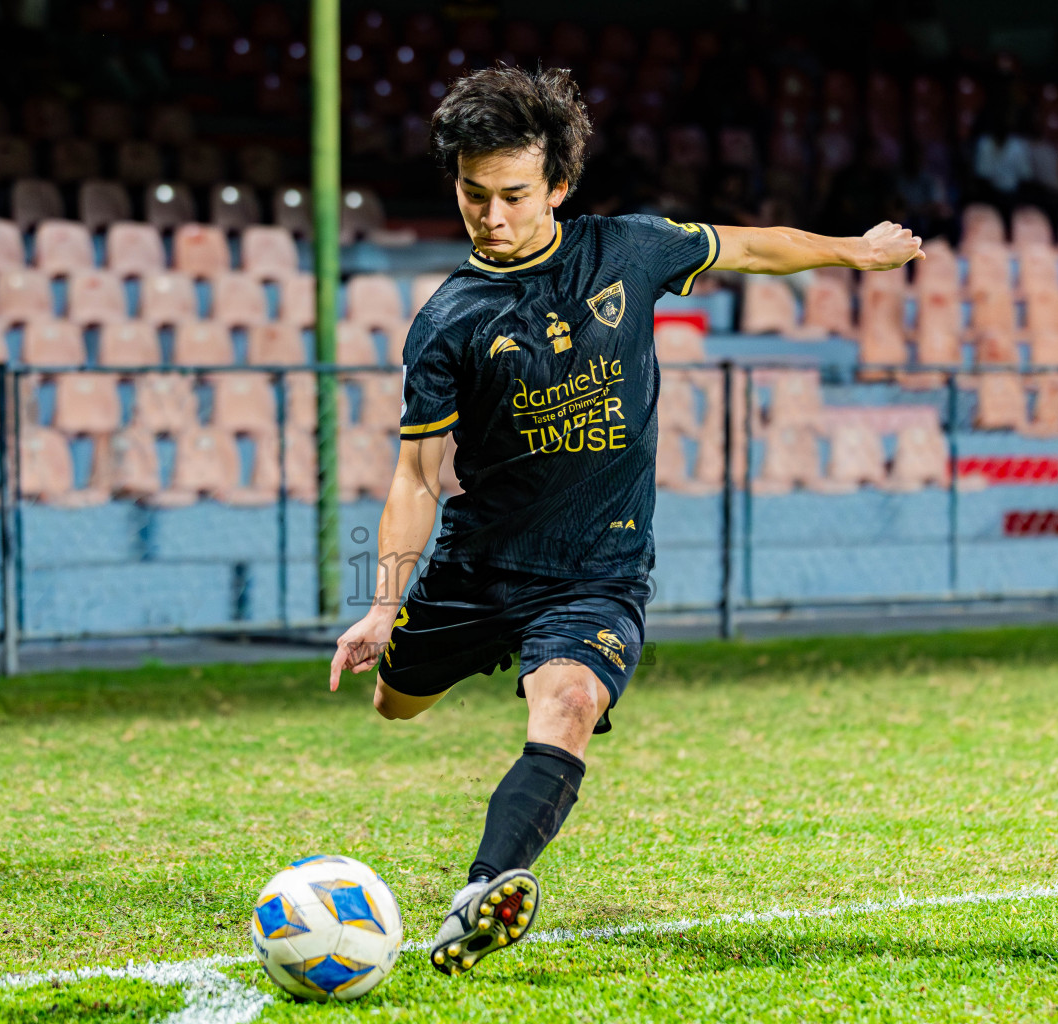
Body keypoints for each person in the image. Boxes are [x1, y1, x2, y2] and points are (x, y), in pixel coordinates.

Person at [327, 65, 923, 976]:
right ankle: (453, 658)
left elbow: (755, 249)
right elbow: (416, 474)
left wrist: (857, 251)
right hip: (479, 568)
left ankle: (486, 890)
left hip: (595, 570)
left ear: (558, 187)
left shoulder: (630, 250)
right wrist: (382, 605)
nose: (492, 216)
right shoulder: (446, 322)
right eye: (473, 195)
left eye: (514, 196)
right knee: (393, 705)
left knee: (566, 699)